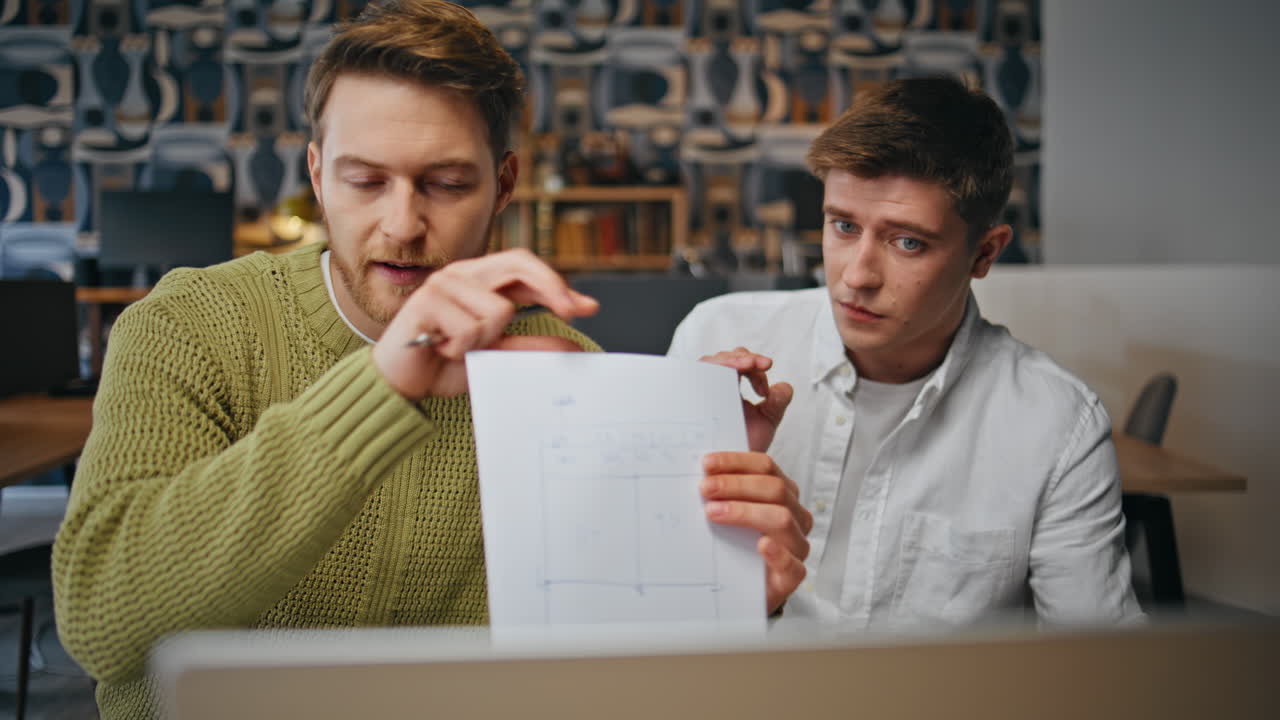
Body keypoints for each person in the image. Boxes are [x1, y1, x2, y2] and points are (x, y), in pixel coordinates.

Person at [52, 2, 810, 717]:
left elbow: (599, 673)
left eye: (446, 184)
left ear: (503, 185)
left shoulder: (559, 368)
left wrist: (721, 585)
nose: (403, 223)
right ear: (318, 177)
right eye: (365, 181)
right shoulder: (189, 324)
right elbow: (101, 621)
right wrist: (386, 386)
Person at [668, 76, 1142, 628]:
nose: (857, 276)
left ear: (983, 254)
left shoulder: (1058, 424)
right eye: (843, 226)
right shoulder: (715, 336)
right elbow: (635, 603)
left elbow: (1099, 667)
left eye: (908, 242)